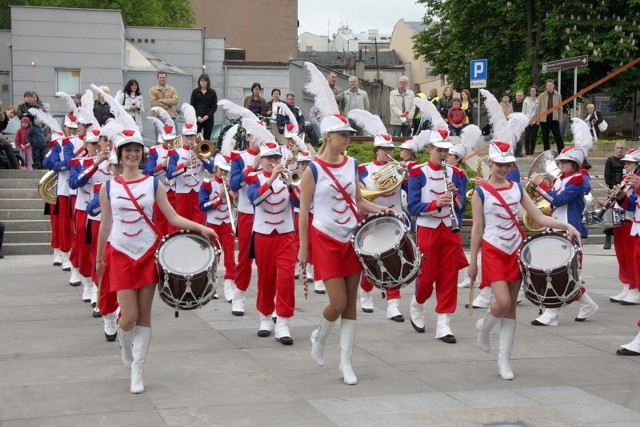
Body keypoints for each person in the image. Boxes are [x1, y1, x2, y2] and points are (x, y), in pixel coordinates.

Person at [96, 127, 217, 394]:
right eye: (127, 150)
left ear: (142, 154)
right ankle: (125, 345)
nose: (132, 154)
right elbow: (105, 225)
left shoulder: (153, 183)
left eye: (136, 150)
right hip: (120, 253)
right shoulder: (108, 187)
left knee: (144, 315)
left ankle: (138, 369)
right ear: (120, 154)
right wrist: (98, 259)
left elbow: (172, 218)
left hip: (147, 253)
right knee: (128, 317)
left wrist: (202, 228)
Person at [470, 140, 580, 380]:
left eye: (508, 164)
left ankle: (504, 359)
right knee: (501, 302)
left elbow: (539, 217)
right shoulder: (480, 192)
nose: (503, 168)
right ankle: (483, 330)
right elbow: (477, 229)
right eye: (499, 164)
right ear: (490, 163)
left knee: (510, 309)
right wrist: (472, 263)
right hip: (492, 250)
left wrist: (566, 225)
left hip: (514, 250)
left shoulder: (516, 187)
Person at [299, 114, 389, 385]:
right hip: (325, 238)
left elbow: (358, 200)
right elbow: (304, 211)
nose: (348, 138)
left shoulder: (352, 164)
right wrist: (304, 247)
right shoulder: (311, 170)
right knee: (337, 303)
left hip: (351, 238)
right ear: (328, 136)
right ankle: (320, 336)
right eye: (343, 134)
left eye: (349, 134)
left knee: (351, 304)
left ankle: (345, 362)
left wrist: (382, 209)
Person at [529, 119, 599, 326]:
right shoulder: (560, 179)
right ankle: (587, 304)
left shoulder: (577, 180)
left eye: (564, 162)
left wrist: (540, 184)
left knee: (562, 272)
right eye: (559, 162)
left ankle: (552, 313)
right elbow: (552, 202)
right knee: (559, 271)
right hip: (555, 227)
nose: (559, 165)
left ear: (574, 164)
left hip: (569, 230)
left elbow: (559, 200)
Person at [407, 128, 468, 344]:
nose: (443, 154)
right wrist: (435, 204)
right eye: (439, 150)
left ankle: (444, 322)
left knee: (449, 276)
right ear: (430, 149)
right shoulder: (417, 172)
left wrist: (455, 195)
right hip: (427, 229)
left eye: (446, 150)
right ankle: (417, 302)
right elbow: (412, 207)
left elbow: (462, 206)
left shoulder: (457, 173)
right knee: (426, 277)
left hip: (449, 230)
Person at [246, 141, 299, 344]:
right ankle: (265, 317)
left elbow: (301, 202)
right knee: (266, 278)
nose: (274, 162)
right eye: (270, 158)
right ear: (262, 160)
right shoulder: (254, 178)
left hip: (286, 234)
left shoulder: (288, 179)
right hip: (263, 234)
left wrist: (293, 187)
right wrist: (271, 180)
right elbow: (255, 200)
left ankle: (283, 322)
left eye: (277, 158)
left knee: (285, 279)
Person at [166, 103, 215, 229]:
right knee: (181, 225)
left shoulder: (202, 151)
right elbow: (169, 174)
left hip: (199, 192)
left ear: (195, 136)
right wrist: (184, 165)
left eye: (192, 136)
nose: (189, 139)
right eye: (187, 136)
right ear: (182, 137)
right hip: (182, 193)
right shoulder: (175, 153)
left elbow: (212, 169)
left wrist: (200, 155)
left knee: (199, 224)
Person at [199, 154, 237, 302]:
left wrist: (232, 194)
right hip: (213, 224)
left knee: (230, 257)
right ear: (215, 169)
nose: (224, 173)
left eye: (226, 171)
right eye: (221, 170)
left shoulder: (230, 184)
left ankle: (229, 288)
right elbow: (202, 206)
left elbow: (236, 204)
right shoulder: (208, 184)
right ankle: (212, 286)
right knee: (213, 256)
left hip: (227, 223)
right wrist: (218, 198)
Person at [609, 148, 640, 305]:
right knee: (623, 257)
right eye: (626, 163)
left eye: (630, 163)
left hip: (631, 222)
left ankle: (635, 288)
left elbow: (633, 204)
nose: (626, 166)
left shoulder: (636, 181)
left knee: (633, 257)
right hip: (622, 221)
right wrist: (616, 199)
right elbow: (628, 202)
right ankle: (627, 286)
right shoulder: (627, 179)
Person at [603, 141, 626, 250]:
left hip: (625, 190)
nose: (620, 150)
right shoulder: (610, 160)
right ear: (614, 148)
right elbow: (607, 177)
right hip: (613, 190)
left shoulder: (627, 161)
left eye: (621, 148)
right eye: (618, 148)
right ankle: (608, 238)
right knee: (610, 216)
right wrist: (615, 188)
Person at [537, 79, 564, 152]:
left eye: (550, 85)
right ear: (546, 86)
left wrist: (560, 119)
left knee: (558, 137)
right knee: (545, 137)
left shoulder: (558, 95)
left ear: (553, 86)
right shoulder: (542, 95)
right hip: (544, 119)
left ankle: (561, 152)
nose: (549, 87)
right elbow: (538, 107)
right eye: (548, 85)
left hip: (554, 118)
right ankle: (547, 153)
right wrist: (538, 119)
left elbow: (560, 108)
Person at [189, 73, 217, 139]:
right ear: (199, 82)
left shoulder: (212, 92)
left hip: (208, 119)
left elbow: (214, 107)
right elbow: (192, 106)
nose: (203, 83)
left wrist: (207, 116)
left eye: (205, 81)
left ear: (208, 82)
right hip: (197, 118)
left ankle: (205, 149)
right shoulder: (195, 92)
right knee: (195, 137)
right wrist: (197, 116)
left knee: (207, 138)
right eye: (201, 81)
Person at [0, 104, 23, 170]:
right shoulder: (3, 116)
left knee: (7, 146)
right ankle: (16, 166)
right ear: (7, 110)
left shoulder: (5, 119)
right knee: (7, 145)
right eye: (11, 112)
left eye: (14, 114)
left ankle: (16, 166)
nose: (12, 115)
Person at [522, 86, 539, 157]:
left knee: (533, 138)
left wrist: (538, 120)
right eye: (531, 91)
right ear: (529, 92)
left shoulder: (539, 100)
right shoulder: (526, 100)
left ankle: (532, 153)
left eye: (534, 91)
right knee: (527, 138)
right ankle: (527, 153)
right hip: (527, 121)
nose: (532, 92)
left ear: (536, 92)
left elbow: (539, 111)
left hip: (536, 121)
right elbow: (524, 111)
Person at [512, 90, 525, 157]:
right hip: (513, 123)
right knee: (513, 139)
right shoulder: (512, 103)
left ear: (522, 96)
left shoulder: (525, 103)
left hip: (521, 124)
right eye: (517, 96)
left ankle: (518, 154)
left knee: (520, 139)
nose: (519, 97)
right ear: (515, 96)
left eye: (520, 96)